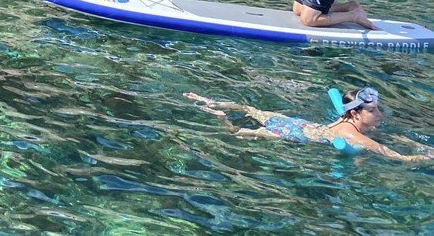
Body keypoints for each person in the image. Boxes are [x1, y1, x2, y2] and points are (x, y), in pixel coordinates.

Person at [185, 88, 433, 162]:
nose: (379, 113)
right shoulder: (353, 136)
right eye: (372, 110)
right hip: (291, 134)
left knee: (251, 110)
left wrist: (411, 143)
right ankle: (219, 117)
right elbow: (396, 156)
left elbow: (395, 141)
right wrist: (424, 157)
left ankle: (211, 101)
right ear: (356, 114)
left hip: (297, 123)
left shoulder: (344, 118)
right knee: (238, 133)